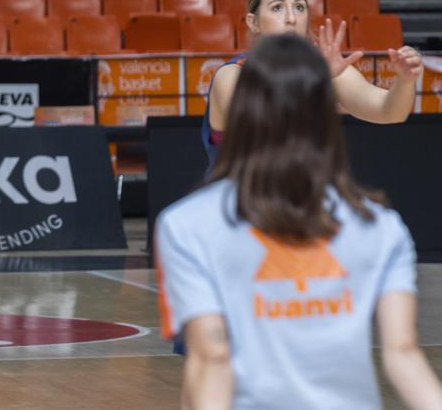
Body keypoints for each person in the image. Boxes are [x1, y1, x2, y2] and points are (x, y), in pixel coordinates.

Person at [156, 34, 442, 409]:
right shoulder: (380, 225)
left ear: (244, 113)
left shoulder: (185, 225)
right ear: (327, 114)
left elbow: (211, 362)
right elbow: (403, 356)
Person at [203, 0, 423, 166]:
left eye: (299, 7)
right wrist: (318, 83)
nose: (291, 18)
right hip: (236, 206)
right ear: (253, 22)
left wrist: (405, 81)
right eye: (277, 8)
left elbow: (389, 111)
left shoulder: (325, 71)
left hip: (302, 205)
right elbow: (265, 133)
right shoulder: (231, 75)